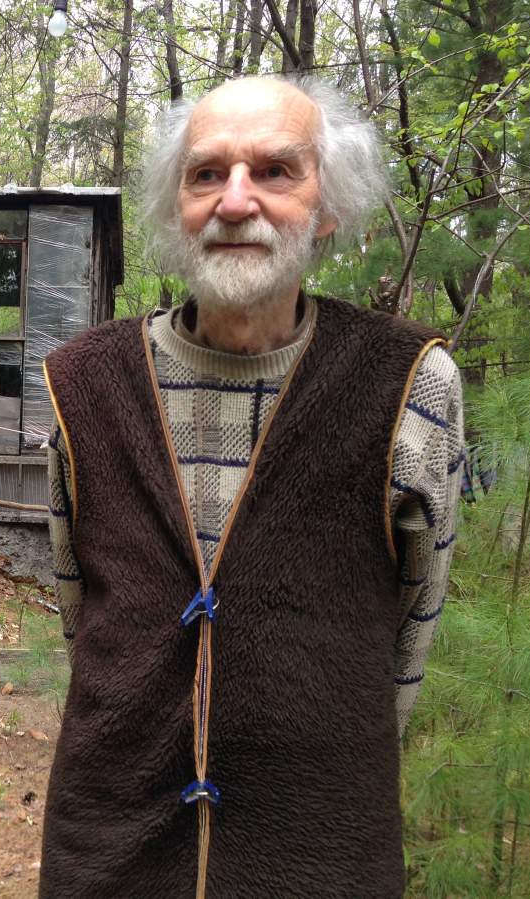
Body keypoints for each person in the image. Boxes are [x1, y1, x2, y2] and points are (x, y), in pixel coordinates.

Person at [39, 76, 463, 898]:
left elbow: (410, 634)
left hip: (321, 847)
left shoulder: (410, 384)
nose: (236, 202)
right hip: (110, 845)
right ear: (176, 206)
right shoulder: (83, 386)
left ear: (328, 206)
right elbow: (78, 613)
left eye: (275, 170)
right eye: (206, 175)